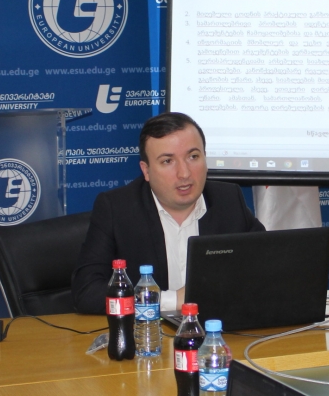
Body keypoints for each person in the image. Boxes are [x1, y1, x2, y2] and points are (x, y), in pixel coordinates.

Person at [72, 112, 264, 315]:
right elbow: (86, 292)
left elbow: (267, 267)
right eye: (167, 161)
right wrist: (170, 300)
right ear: (146, 171)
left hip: (217, 328)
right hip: (148, 331)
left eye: (193, 157)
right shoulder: (117, 209)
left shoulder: (228, 200)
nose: (184, 173)